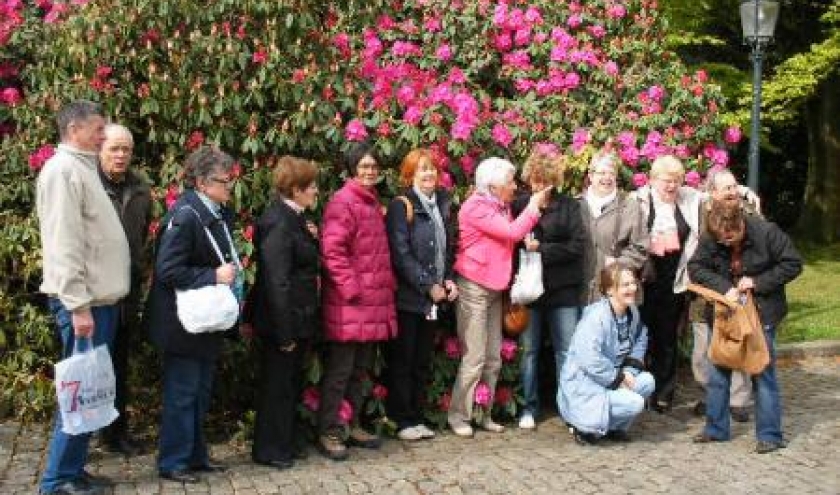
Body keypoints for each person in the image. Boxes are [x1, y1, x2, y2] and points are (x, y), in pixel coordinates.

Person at [37, 100, 130, 495]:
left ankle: (73, 470)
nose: (103, 135)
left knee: (90, 391)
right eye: (97, 129)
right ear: (74, 129)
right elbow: (64, 244)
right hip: (84, 305)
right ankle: (57, 481)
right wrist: (77, 305)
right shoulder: (62, 172)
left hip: (98, 303)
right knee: (78, 392)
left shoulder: (81, 167)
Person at [146, 146, 242, 483]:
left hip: (203, 320)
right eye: (223, 181)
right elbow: (168, 270)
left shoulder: (212, 212)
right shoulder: (186, 216)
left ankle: (195, 455)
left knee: (199, 391)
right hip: (182, 323)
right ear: (202, 182)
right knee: (183, 393)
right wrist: (213, 276)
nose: (230, 186)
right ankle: (173, 461)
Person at [447, 157, 550, 438]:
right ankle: (459, 415)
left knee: (493, 357)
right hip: (474, 287)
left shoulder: (499, 205)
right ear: (492, 186)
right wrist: (534, 206)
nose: (515, 187)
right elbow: (512, 232)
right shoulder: (476, 207)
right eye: (510, 183)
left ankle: (484, 413)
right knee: (475, 356)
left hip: (494, 288)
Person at [688, 203, 802, 454]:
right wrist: (723, 287)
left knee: (762, 371)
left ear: (740, 224)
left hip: (762, 311)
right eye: (721, 239)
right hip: (725, 313)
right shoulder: (712, 235)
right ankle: (716, 429)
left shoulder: (767, 232)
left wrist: (758, 282)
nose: (726, 243)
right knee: (718, 370)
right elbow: (696, 268)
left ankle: (770, 435)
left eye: (730, 237)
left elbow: (793, 263)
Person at [318, 141, 397, 460]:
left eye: (374, 167)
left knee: (360, 370)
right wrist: (352, 290)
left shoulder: (371, 202)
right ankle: (329, 431)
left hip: (372, 305)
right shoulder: (343, 201)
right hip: (351, 305)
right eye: (363, 166)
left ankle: (351, 424)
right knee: (340, 372)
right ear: (352, 169)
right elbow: (332, 251)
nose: (369, 171)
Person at [248, 156, 320, 469]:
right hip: (283, 320)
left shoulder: (295, 218)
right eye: (311, 186)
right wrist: (285, 331)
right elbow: (277, 281)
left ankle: (284, 442)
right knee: (277, 386)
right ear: (295, 189)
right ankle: (270, 448)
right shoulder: (279, 221)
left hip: (297, 316)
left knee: (289, 383)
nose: (316, 191)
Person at [384, 149, 458, 441]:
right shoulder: (401, 206)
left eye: (432, 169)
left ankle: (416, 416)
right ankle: (402, 420)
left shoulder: (442, 205)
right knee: (404, 360)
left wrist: (448, 280)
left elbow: (448, 249)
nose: (428, 174)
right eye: (422, 169)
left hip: (433, 300)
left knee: (422, 360)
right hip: (409, 298)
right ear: (410, 175)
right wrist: (429, 285)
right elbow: (401, 255)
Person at [511, 147, 586, 430]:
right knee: (528, 351)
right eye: (535, 180)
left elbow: (576, 247)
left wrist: (542, 249)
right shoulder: (520, 205)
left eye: (545, 180)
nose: (539, 186)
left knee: (566, 352)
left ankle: (568, 408)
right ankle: (528, 407)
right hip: (530, 291)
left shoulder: (568, 206)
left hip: (562, 289)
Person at [631, 155, 702, 412]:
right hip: (643, 279)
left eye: (676, 181)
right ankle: (638, 390)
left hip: (674, 279)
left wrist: (743, 191)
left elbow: (715, 194)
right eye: (666, 181)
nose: (671, 186)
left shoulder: (688, 199)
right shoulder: (638, 200)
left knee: (667, 337)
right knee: (639, 336)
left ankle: (664, 392)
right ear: (652, 180)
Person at [97, 123, 151, 455]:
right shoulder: (88, 186)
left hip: (126, 292)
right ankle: (80, 439)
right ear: (100, 149)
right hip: (96, 292)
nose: (120, 155)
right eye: (114, 149)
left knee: (119, 365)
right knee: (88, 368)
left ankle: (116, 434)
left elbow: (142, 237)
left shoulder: (140, 190)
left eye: (126, 150)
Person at [558, 263, 654, 445]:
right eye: (625, 285)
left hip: (611, 379)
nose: (632, 288)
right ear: (610, 290)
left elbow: (641, 338)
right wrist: (617, 379)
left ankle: (613, 429)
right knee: (635, 403)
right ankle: (584, 427)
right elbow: (589, 360)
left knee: (648, 381)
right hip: (585, 385)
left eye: (633, 283)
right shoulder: (596, 318)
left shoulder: (632, 312)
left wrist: (628, 372)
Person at [690, 168, 756, 422]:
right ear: (712, 192)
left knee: (738, 345)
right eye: (725, 188)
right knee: (703, 349)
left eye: (734, 186)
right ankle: (710, 397)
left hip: (738, 290)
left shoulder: (748, 212)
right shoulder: (699, 211)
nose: (731, 192)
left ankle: (738, 400)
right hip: (705, 291)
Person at [579, 150, 648, 305]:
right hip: (580, 293)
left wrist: (619, 263)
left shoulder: (630, 206)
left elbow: (640, 247)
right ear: (591, 176)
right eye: (601, 173)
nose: (606, 178)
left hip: (616, 291)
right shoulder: (576, 205)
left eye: (611, 173)